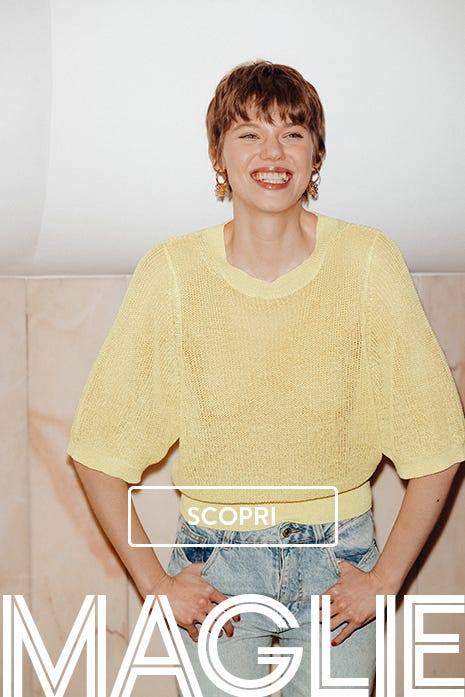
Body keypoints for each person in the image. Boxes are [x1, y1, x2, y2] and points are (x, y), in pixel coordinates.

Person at [67, 61, 465, 695]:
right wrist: (156, 585)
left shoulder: (368, 260)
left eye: (293, 133)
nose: (273, 153)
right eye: (249, 133)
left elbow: (439, 443)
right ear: (218, 155)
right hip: (217, 569)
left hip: (338, 566)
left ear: (315, 156)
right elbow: (97, 452)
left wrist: (386, 581)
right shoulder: (172, 271)